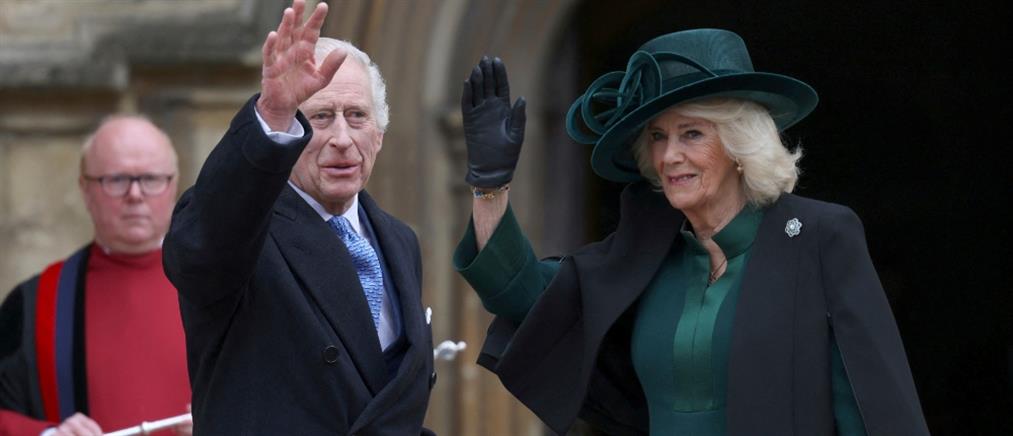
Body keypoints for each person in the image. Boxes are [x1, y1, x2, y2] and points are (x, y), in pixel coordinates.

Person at [454, 29, 929, 435]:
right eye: (657, 136)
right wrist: (490, 186)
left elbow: (875, 406)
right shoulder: (647, 254)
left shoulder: (820, 236)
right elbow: (523, 296)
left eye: (692, 133)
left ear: (740, 143)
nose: (669, 156)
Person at [161, 1, 434, 434]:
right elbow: (200, 249)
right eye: (321, 117)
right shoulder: (247, 230)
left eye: (357, 116)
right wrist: (271, 113)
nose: (342, 138)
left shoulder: (399, 241)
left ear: (379, 135)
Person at [0, 116, 192, 436]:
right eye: (116, 179)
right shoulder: (37, 302)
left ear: (174, 186)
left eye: (151, 178)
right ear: (85, 189)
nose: (135, 194)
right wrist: (48, 434)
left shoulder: (225, 287)